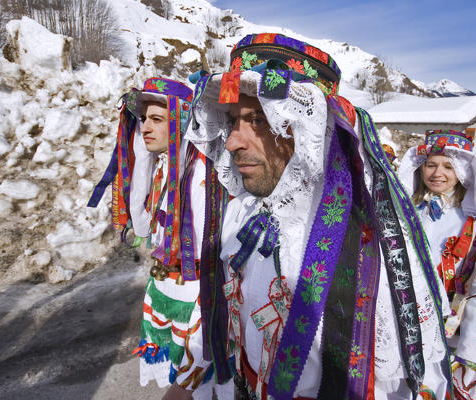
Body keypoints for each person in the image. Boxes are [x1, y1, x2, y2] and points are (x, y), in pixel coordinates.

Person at [185, 33, 454, 400]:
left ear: (308, 128)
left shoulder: (374, 249)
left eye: (259, 120)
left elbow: (402, 385)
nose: (232, 142)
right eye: (233, 121)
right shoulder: (242, 213)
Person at [87, 77, 232, 399]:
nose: (145, 128)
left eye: (157, 119)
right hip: (163, 288)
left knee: (198, 387)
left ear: (180, 120)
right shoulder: (160, 169)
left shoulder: (208, 176)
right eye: (142, 119)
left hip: (199, 296)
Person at [399, 130, 476, 400]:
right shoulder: (407, 212)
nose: (437, 173)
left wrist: (470, 346)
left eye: (448, 166)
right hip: (403, 324)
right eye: (431, 164)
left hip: (447, 332)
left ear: (463, 171)